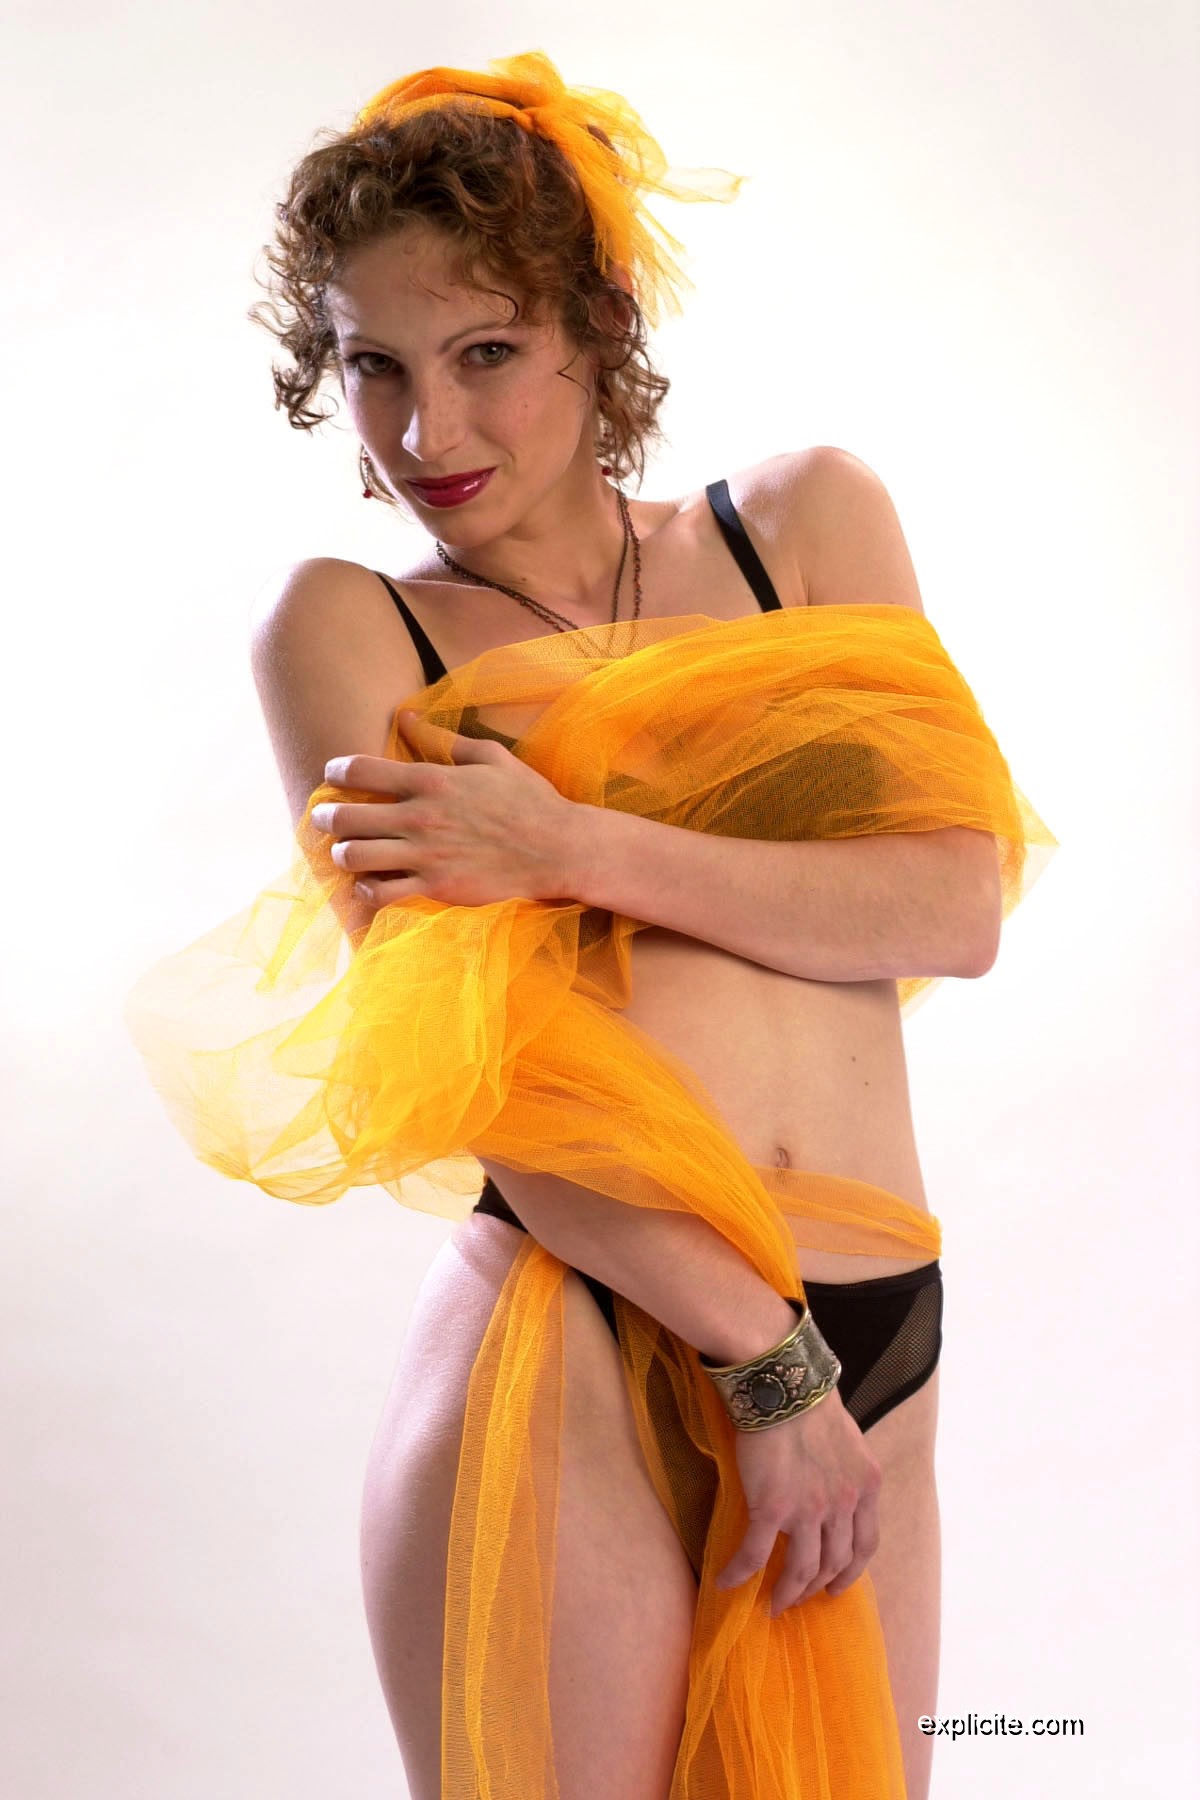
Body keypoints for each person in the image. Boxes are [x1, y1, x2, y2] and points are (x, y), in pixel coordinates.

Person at [125, 49, 1058, 1800]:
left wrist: (566, 845)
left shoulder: (803, 527)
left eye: (485, 354)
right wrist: (765, 1365)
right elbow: (478, 1075)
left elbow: (952, 903)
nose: (428, 435)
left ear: (597, 326)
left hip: (882, 1321)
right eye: (375, 367)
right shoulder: (352, 629)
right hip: (590, 1323)